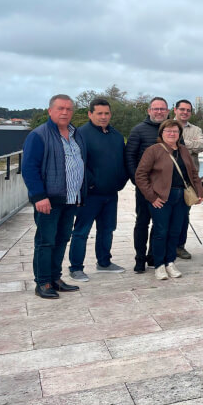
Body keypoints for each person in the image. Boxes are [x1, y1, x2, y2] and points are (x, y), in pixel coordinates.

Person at [22, 94, 85, 299]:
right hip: (49, 200)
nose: (65, 112)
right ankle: (43, 282)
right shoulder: (39, 135)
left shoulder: (76, 134)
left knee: (62, 239)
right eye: (60, 108)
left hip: (71, 199)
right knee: (45, 242)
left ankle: (56, 278)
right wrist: (39, 196)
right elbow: (29, 168)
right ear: (50, 111)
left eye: (68, 109)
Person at [67, 98, 128, 282]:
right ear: (90, 114)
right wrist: (91, 183)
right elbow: (77, 163)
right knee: (81, 231)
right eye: (99, 113)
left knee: (107, 229)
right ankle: (76, 268)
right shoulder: (80, 134)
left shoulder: (116, 136)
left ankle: (104, 262)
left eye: (106, 113)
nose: (103, 117)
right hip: (89, 194)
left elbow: (123, 161)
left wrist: (120, 181)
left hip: (111, 194)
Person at [135, 119, 203, 280]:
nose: (172, 134)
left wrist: (199, 192)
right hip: (162, 197)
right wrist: (152, 197)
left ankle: (170, 262)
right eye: (168, 131)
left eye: (175, 131)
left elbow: (193, 173)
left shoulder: (183, 150)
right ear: (162, 133)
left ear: (179, 134)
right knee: (161, 231)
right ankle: (159, 265)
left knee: (175, 231)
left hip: (181, 197)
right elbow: (141, 175)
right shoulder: (153, 150)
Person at [125, 97, 170, 273]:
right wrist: (137, 182)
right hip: (145, 187)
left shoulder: (171, 130)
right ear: (149, 110)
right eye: (155, 109)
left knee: (159, 224)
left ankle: (153, 255)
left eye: (162, 109)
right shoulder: (138, 130)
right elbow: (130, 157)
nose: (159, 112)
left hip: (164, 188)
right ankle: (140, 258)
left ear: (167, 111)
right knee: (142, 222)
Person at [173, 99, 203, 260]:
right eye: (182, 109)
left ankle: (180, 246)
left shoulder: (196, 129)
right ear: (175, 110)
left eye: (188, 110)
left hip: (189, 181)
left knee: (184, 215)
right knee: (165, 215)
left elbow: (202, 145)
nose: (185, 112)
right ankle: (166, 246)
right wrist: (190, 145)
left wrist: (180, 143)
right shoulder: (167, 126)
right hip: (168, 179)